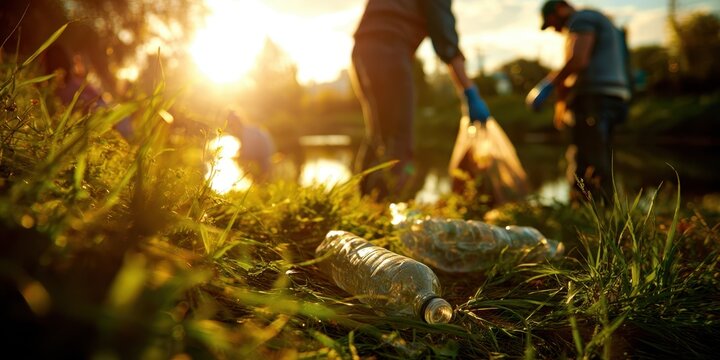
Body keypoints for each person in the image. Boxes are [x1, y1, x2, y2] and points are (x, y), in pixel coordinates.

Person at [350, 0, 491, 202]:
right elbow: (445, 37)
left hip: (362, 49)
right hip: (390, 48)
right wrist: (469, 90)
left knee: (380, 135)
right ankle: (383, 209)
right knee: (400, 141)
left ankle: (364, 205)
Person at [526, 0, 631, 204]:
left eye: (553, 23)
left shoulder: (582, 19)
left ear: (560, 9)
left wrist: (547, 84)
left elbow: (578, 60)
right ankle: (604, 210)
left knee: (586, 158)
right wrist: (561, 102)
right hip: (613, 97)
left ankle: (586, 211)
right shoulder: (601, 22)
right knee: (600, 154)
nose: (555, 29)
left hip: (595, 98)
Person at [226, 110, 276, 182]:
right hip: (264, 156)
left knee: (263, 180)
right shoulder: (247, 130)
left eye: (232, 126)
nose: (232, 130)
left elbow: (248, 153)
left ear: (237, 124)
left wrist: (238, 157)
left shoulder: (247, 134)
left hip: (264, 158)